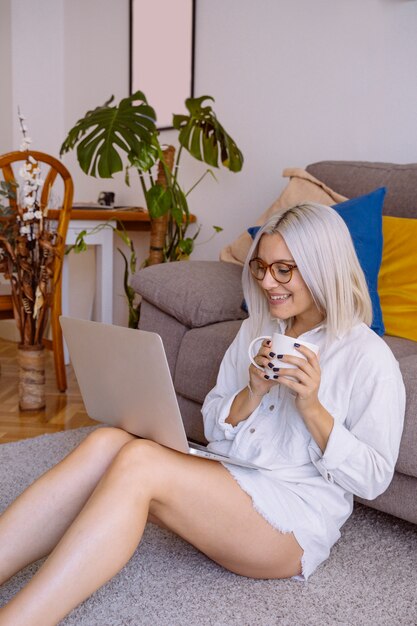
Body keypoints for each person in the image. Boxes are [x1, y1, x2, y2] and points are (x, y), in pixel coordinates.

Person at [0, 203, 405, 625]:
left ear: (325, 268)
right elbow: (214, 424)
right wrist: (252, 391)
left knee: (140, 463)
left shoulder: (368, 358)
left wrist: (312, 408)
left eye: (284, 270)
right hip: (233, 476)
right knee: (108, 442)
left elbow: (374, 480)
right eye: (262, 267)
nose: (268, 282)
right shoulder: (258, 329)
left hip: (293, 522)